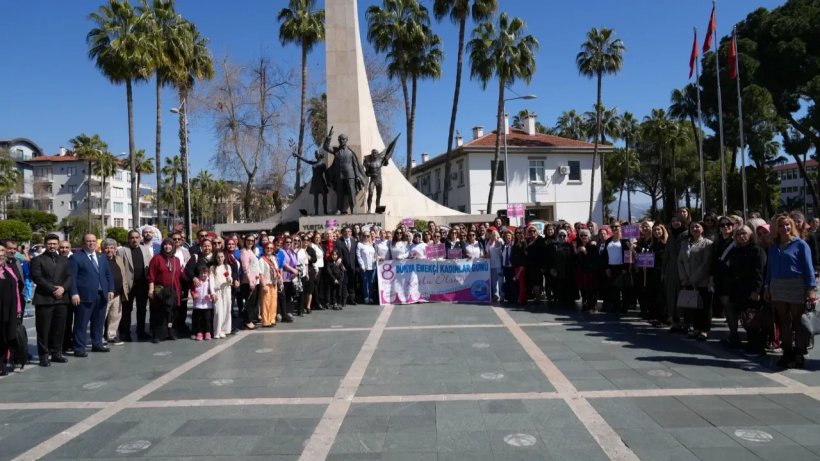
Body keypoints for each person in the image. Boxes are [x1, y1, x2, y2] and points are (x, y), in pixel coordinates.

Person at [765, 215, 816, 368]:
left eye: (787, 225)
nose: (784, 228)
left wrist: (811, 288)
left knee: (798, 321)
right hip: (777, 286)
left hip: (795, 285)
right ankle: (787, 352)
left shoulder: (800, 244)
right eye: (781, 226)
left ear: (792, 226)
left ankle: (799, 352)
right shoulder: (773, 246)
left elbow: (809, 267)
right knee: (784, 321)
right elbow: (770, 268)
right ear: (777, 228)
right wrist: (767, 286)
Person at [69, 234, 115, 357]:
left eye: (94, 241)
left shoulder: (102, 257)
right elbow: (72, 278)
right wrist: (74, 293)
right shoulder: (76, 258)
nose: (91, 243)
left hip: (101, 295)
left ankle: (97, 344)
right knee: (81, 323)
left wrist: (110, 289)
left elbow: (108, 275)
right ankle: (79, 348)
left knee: (99, 322)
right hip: (84, 296)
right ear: (83, 242)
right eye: (88, 241)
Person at [30, 234, 72, 367]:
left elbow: (69, 276)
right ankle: (43, 356)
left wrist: (63, 288)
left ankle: (56, 353)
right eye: (49, 244)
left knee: (59, 328)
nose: (52, 246)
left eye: (54, 244)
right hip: (44, 299)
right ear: (45, 244)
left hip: (62, 300)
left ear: (58, 245)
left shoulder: (64, 260)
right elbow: (37, 277)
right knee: (43, 329)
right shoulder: (37, 260)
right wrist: (53, 290)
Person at [728, 225, 767, 355]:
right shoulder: (736, 251)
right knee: (746, 319)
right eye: (738, 235)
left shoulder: (757, 250)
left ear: (751, 235)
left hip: (753, 290)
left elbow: (759, 272)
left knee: (754, 319)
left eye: (744, 233)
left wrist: (756, 291)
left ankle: (757, 347)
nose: (741, 237)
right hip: (740, 290)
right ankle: (751, 344)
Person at [677, 221, 714, 341]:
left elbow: (706, 263)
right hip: (687, 280)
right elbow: (680, 261)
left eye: (697, 226)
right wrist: (684, 278)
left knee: (704, 307)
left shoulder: (707, 244)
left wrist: (694, 278)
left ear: (703, 229)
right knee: (693, 307)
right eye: (692, 227)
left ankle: (704, 330)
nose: (695, 228)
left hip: (702, 281)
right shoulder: (684, 243)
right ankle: (696, 328)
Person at [117, 230, 152, 342]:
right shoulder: (122, 251)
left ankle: (141, 331)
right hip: (128, 286)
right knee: (126, 310)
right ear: (129, 239)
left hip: (142, 284)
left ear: (140, 238)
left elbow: (149, 265)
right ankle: (124, 332)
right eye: (132, 237)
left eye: (137, 237)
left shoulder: (145, 249)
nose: (135, 239)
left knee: (142, 310)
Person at [148, 238, 183, 343]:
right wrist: (151, 289)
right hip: (160, 289)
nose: (167, 247)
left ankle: (170, 332)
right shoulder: (156, 258)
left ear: (173, 247)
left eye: (170, 245)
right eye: (165, 245)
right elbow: (151, 275)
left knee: (171, 313)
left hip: (173, 289)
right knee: (158, 312)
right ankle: (157, 335)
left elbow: (180, 275)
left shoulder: (176, 260)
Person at [0, 245, 24, 374]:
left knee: (6, 338)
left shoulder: (9, 270)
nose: (1, 254)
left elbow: (16, 292)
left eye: (2, 251)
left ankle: (3, 364)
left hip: (9, 312)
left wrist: (18, 310)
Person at [712, 216, 737, 341]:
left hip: (732, 280)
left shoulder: (736, 242)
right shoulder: (718, 243)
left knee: (730, 307)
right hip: (720, 279)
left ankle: (734, 334)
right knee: (726, 307)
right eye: (722, 225)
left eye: (729, 224)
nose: (726, 227)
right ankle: (733, 333)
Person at [102, 238, 128, 346]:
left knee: (115, 316)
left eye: (112, 247)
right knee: (102, 316)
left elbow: (123, 274)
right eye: (107, 247)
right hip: (105, 293)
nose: (109, 250)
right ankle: (99, 337)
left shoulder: (118, 259)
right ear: (103, 249)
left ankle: (111, 336)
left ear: (115, 249)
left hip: (117, 293)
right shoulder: (100, 260)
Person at [292, 150, 329, 215]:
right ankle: (316, 212)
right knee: (316, 198)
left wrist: (327, 182)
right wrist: (297, 155)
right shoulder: (313, 163)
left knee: (324, 196)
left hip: (321, 181)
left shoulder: (323, 164)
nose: (315, 155)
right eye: (315, 154)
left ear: (319, 155)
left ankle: (325, 211)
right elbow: (305, 160)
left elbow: (326, 174)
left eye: (316, 154)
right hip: (314, 182)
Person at [209, 249, 233, 338]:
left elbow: (230, 279)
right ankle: (217, 331)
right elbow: (211, 281)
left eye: (222, 257)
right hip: (217, 291)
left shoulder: (227, 267)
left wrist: (229, 280)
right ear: (215, 258)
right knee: (218, 311)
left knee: (226, 310)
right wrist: (212, 292)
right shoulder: (212, 268)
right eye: (218, 257)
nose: (220, 259)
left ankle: (224, 330)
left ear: (224, 257)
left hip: (226, 290)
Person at [259, 241, 281, 327]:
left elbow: (277, 269)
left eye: (271, 248)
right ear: (264, 249)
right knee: (266, 303)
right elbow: (260, 273)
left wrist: (278, 276)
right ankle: (266, 321)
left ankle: (272, 319)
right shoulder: (261, 259)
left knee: (273, 302)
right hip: (266, 283)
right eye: (267, 248)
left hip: (274, 282)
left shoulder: (274, 258)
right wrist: (263, 285)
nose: (269, 250)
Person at [277, 237, 298, 322]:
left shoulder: (292, 252)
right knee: (282, 295)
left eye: (290, 242)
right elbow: (283, 263)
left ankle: (288, 311)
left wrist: (295, 271)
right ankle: (280, 313)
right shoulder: (281, 251)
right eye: (287, 242)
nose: (288, 243)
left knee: (289, 295)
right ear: (284, 243)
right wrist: (293, 270)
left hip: (291, 276)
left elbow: (295, 262)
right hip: (285, 275)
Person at [336, 227, 359, 304]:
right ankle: (344, 300)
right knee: (344, 283)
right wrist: (341, 265)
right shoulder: (339, 242)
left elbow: (356, 255)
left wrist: (356, 266)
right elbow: (339, 255)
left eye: (349, 231)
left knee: (352, 283)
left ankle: (352, 299)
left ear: (351, 233)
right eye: (346, 231)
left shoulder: (354, 242)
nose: (347, 233)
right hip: (343, 266)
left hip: (352, 266)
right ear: (343, 233)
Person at [357, 233, 376, 304]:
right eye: (364, 235)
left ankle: (371, 297)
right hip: (364, 267)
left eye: (368, 236)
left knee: (372, 282)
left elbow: (374, 256)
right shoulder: (360, 244)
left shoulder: (372, 245)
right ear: (362, 236)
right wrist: (362, 266)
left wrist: (376, 259)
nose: (366, 237)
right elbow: (359, 256)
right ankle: (366, 297)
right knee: (365, 282)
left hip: (373, 266)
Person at [486, 230, 504, 303]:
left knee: (500, 281)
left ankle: (502, 295)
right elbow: (487, 251)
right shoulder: (489, 242)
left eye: (494, 234)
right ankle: (496, 295)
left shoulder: (500, 240)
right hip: (492, 265)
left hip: (499, 265)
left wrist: (496, 239)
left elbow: (499, 248)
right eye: (491, 234)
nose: (492, 235)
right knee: (494, 282)